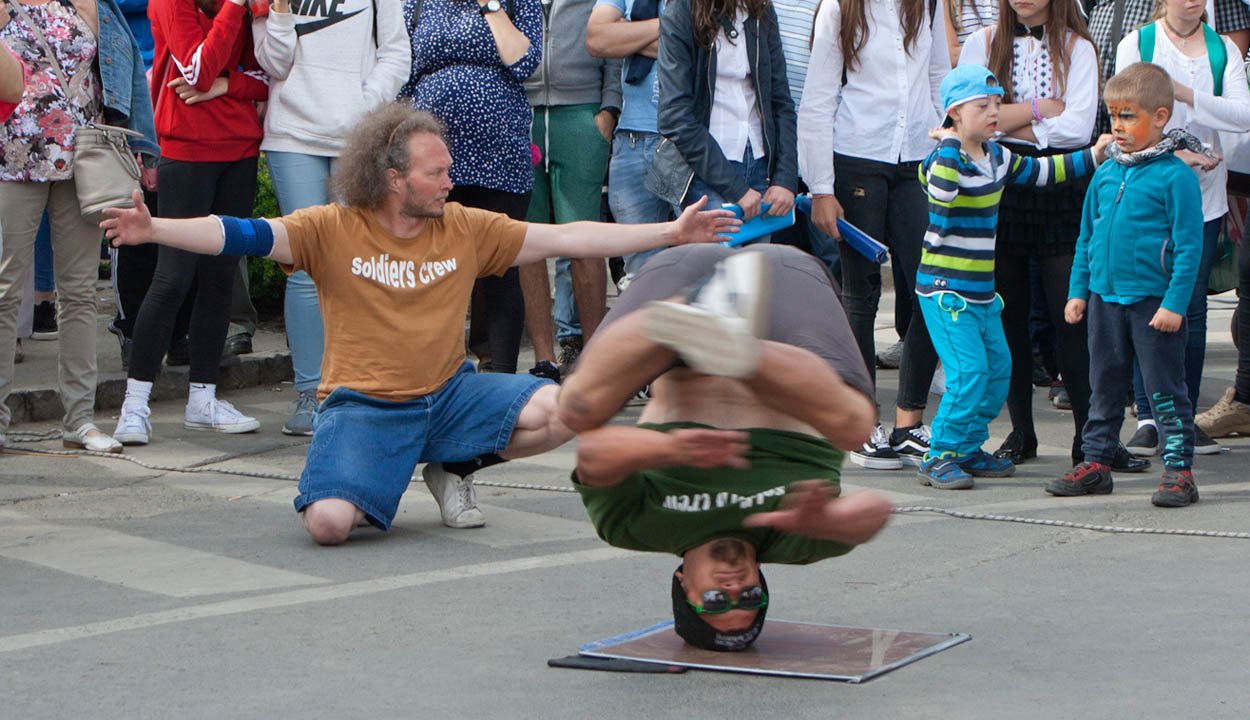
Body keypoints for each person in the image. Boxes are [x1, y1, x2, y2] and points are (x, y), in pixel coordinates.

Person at [100, 104, 739, 544]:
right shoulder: (330, 228)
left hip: (449, 395)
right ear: (393, 178)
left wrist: (670, 232)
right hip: (364, 406)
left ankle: (453, 464)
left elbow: (569, 236)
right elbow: (238, 233)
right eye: (437, 173)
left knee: (568, 408)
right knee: (327, 526)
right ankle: (387, 465)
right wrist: (155, 228)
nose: (449, 183)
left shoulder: (466, 227)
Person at [556, 245, 892, 652]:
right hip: (783, 295)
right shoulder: (791, 539)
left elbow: (594, 454)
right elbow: (876, 511)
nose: (735, 589)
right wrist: (827, 520)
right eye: (750, 598)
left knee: (574, 410)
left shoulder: (641, 528)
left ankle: (695, 310)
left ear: (684, 584)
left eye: (716, 601)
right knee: (856, 427)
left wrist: (670, 449)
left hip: (677, 299)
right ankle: (737, 348)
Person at [917, 65, 1108, 489]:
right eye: (982, 106)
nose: (994, 113)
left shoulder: (997, 156)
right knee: (969, 374)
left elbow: (1043, 174)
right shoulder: (941, 160)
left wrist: (1094, 155)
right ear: (954, 113)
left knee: (998, 371)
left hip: (983, 293)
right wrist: (950, 142)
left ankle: (967, 447)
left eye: (997, 104)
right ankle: (939, 454)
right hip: (946, 292)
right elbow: (942, 198)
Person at [958, 0, 1113, 469]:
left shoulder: (1078, 47)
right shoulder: (982, 42)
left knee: (1071, 313)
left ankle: (1089, 437)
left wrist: (1008, 123)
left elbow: (1078, 128)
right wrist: (1038, 110)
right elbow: (968, 122)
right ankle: (1021, 432)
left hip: (1063, 181)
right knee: (1009, 317)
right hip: (1002, 184)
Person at [0, 0, 158, 453]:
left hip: (84, 160)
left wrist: (144, 146)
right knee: (5, 290)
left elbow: (125, 72)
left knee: (80, 292)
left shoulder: (89, 4)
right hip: (13, 158)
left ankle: (80, 420)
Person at [798, 0, 950, 470]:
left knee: (931, 288)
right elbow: (818, 99)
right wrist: (821, 188)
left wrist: (949, 142)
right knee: (860, 295)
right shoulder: (839, 8)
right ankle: (862, 421)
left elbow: (939, 77)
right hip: (857, 154)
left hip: (917, 157)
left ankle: (909, 422)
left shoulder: (928, 5)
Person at [110, 0, 268, 446]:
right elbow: (197, 71)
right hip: (185, 151)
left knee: (219, 277)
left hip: (240, 151)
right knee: (173, 277)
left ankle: (203, 400)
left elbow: (268, 76)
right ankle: (134, 406)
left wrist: (227, 85)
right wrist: (233, 9)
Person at [251, 0, 410, 435]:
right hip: (292, 135)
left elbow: (397, 51)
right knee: (303, 265)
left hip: (357, 138)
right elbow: (272, 62)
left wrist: (363, 105)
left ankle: (359, 387)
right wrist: (280, 11)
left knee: (359, 263)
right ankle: (311, 392)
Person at [1050, 62, 1205, 507]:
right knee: (1104, 387)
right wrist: (1079, 291)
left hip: (1154, 304)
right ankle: (1096, 463)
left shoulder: (1175, 176)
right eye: (1113, 116)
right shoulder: (1106, 173)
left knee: (1165, 391)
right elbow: (1087, 237)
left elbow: (1190, 247)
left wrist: (1175, 303)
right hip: (1105, 300)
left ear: (1159, 117)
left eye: (1128, 116)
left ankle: (1179, 472)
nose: (1117, 126)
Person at [1113, 0, 1250, 457]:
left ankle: (1183, 415)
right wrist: (1175, 152)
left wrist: (1186, 95)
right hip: (1147, 195)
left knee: (1191, 308)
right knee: (1146, 303)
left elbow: (1243, 114)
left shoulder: (1223, 49)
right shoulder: (1139, 43)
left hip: (1203, 198)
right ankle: (1149, 417)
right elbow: (1125, 115)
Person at [399, 0, 542, 376]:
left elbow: (524, 62)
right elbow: (402, 74)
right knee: (430, 261)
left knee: (500, 261)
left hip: (499, 153)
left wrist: (490, 6)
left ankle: (498, 372)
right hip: (431, 155)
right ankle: (433, 372)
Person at [519, 0, 621, 381]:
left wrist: (609, 111)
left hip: (582, 113)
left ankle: (595, 356)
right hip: (523, 112)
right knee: (527, 241)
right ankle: (544, 359)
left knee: (585, 241)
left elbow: (612, 40)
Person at [657, 0, 798, 221]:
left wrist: (785, 178)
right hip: (705, 171)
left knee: (758, 247)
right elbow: (674, 117)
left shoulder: (762, 9)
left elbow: (781, 102)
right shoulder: (682, 9)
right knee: (720, 246)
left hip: (761, 165)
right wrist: (736, 188)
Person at [585, 0, 676, 289]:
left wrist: (628, 34)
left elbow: (703, 45)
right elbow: (597, 38)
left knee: (704, 263)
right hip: (632, 140)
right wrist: (671, 26)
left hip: (691, 140)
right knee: (641, 276)